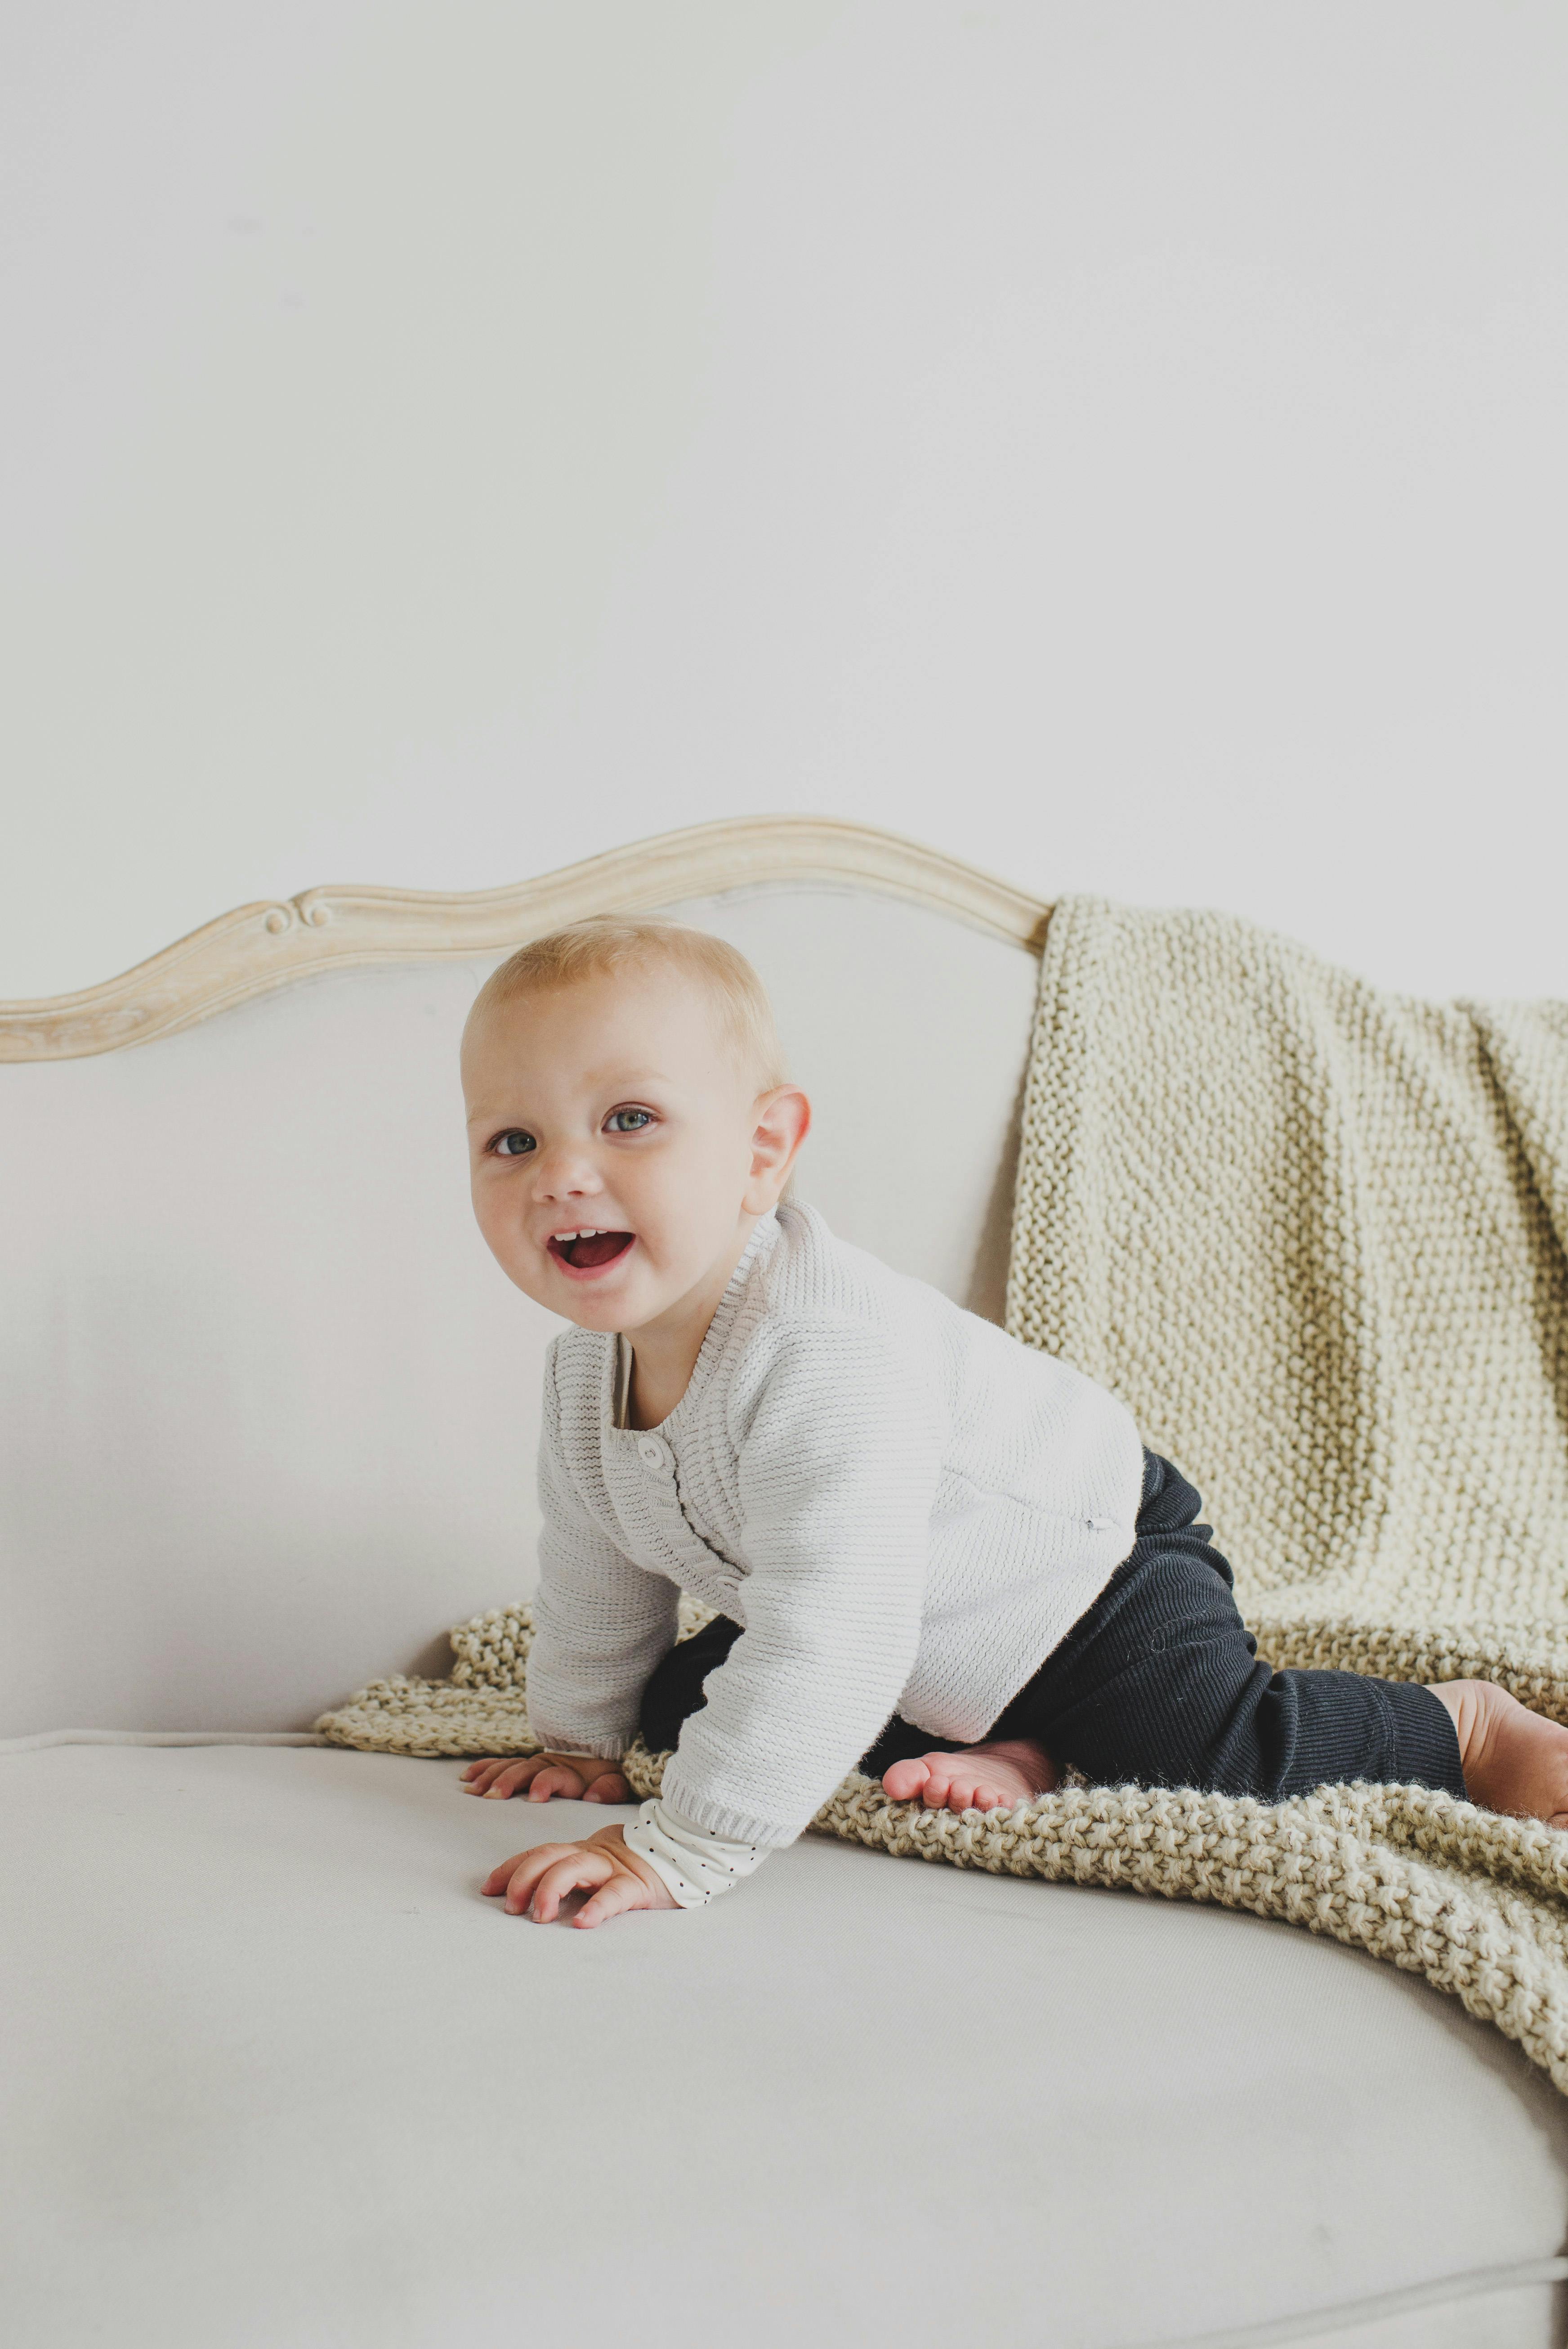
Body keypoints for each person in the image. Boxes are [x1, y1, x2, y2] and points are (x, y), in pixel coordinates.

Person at [457, 916, 1568, 1930]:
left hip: (1080, 1569)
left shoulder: (820, 1350)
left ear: (762, 1151)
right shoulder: (582, 1377)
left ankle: (1461, 1728)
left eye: (630, 1119)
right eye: (513, 1140)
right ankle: (1006, 1743)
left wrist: (679, 1845)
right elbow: (599, 1570)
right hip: (902, 1619)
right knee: (684, 1703)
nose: (563, 1175)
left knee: (1206, 1748)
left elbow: (838, 1631)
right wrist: (582, 1743)